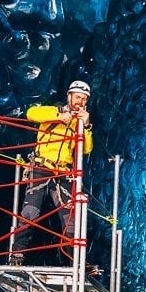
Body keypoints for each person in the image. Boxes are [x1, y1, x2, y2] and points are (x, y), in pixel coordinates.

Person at [11, 80, 93, 264]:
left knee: (70, 218)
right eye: (78, 97)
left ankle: (76, 261)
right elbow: (31, 114)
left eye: (84, 99)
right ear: (69, 96)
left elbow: (86, 149)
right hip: (41, 167)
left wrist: (86, 127)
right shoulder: (52, 110)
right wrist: (58, 115)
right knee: (31, 211)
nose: (81, 102)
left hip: (63, 173)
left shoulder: (79, 122)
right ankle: (18, 253)